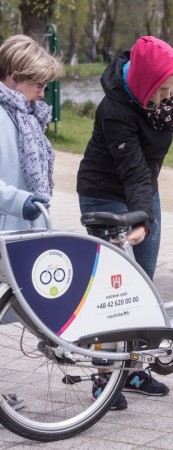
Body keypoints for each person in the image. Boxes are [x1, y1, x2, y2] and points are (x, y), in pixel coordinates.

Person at [76, 35, 173, 410]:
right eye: (165, 89)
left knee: (144, 284)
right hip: (105, 193)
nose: (172, 95)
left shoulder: (160, 94)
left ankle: (132, 369)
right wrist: (142, 221)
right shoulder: (115, 110)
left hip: (141, 191)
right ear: (146, 85)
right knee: (114, 290)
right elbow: (132, 172)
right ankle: (104, 377)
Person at [0, 34, 63, 410]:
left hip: (13, 230)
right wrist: (22, 201)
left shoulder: (21, 117)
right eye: (37, 84)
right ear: (12, 77)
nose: (43, 93)